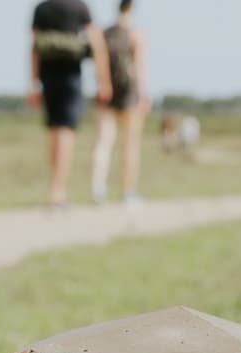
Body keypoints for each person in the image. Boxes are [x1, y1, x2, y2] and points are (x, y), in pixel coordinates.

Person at [29, 0, 112, 207]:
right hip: (71, 76)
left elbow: (34, 47)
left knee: (54, 130)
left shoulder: (42, 8)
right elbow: (97, 43)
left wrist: (33, 84)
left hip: (47, 77)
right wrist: (103, 80)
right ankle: (59, 190)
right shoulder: (79, 7)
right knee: (66, 131)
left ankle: (54, 189)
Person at [90, 0, 150, 203]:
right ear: (131, 8)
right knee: (129, 144)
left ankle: (98, 187)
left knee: (103, 141)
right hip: (129, 93)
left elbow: (98, 62)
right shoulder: (135, 34)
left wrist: (102, 85)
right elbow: (139, 66)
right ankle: (128, 191)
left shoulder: (104, 33)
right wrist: (143, 94)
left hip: (105, 92)